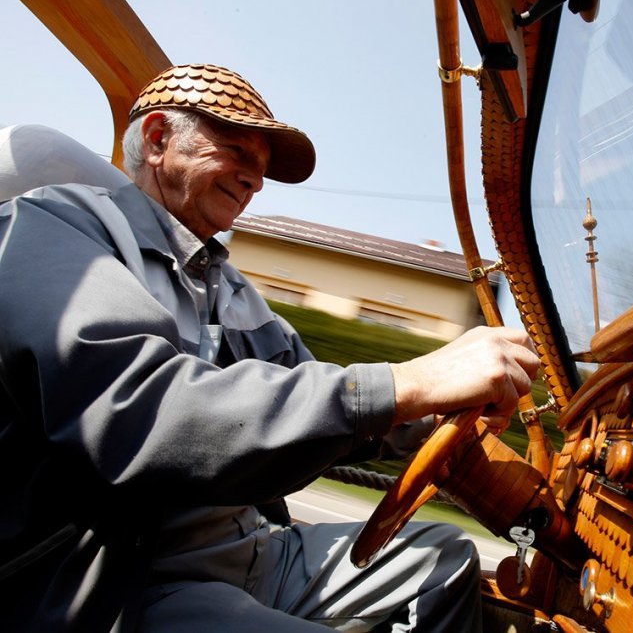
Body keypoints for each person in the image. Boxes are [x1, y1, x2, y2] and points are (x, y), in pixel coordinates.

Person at [0, 64, 540, 632]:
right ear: (158, 139)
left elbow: (314, 390)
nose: (254, 182)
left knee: (444, 556)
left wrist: (430, 419)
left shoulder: (226, 286)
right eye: (236, 152)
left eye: (261, 172)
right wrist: (408, 383)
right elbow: (142, 411)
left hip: (252, 549)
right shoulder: (51, 230)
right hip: (138, 573)